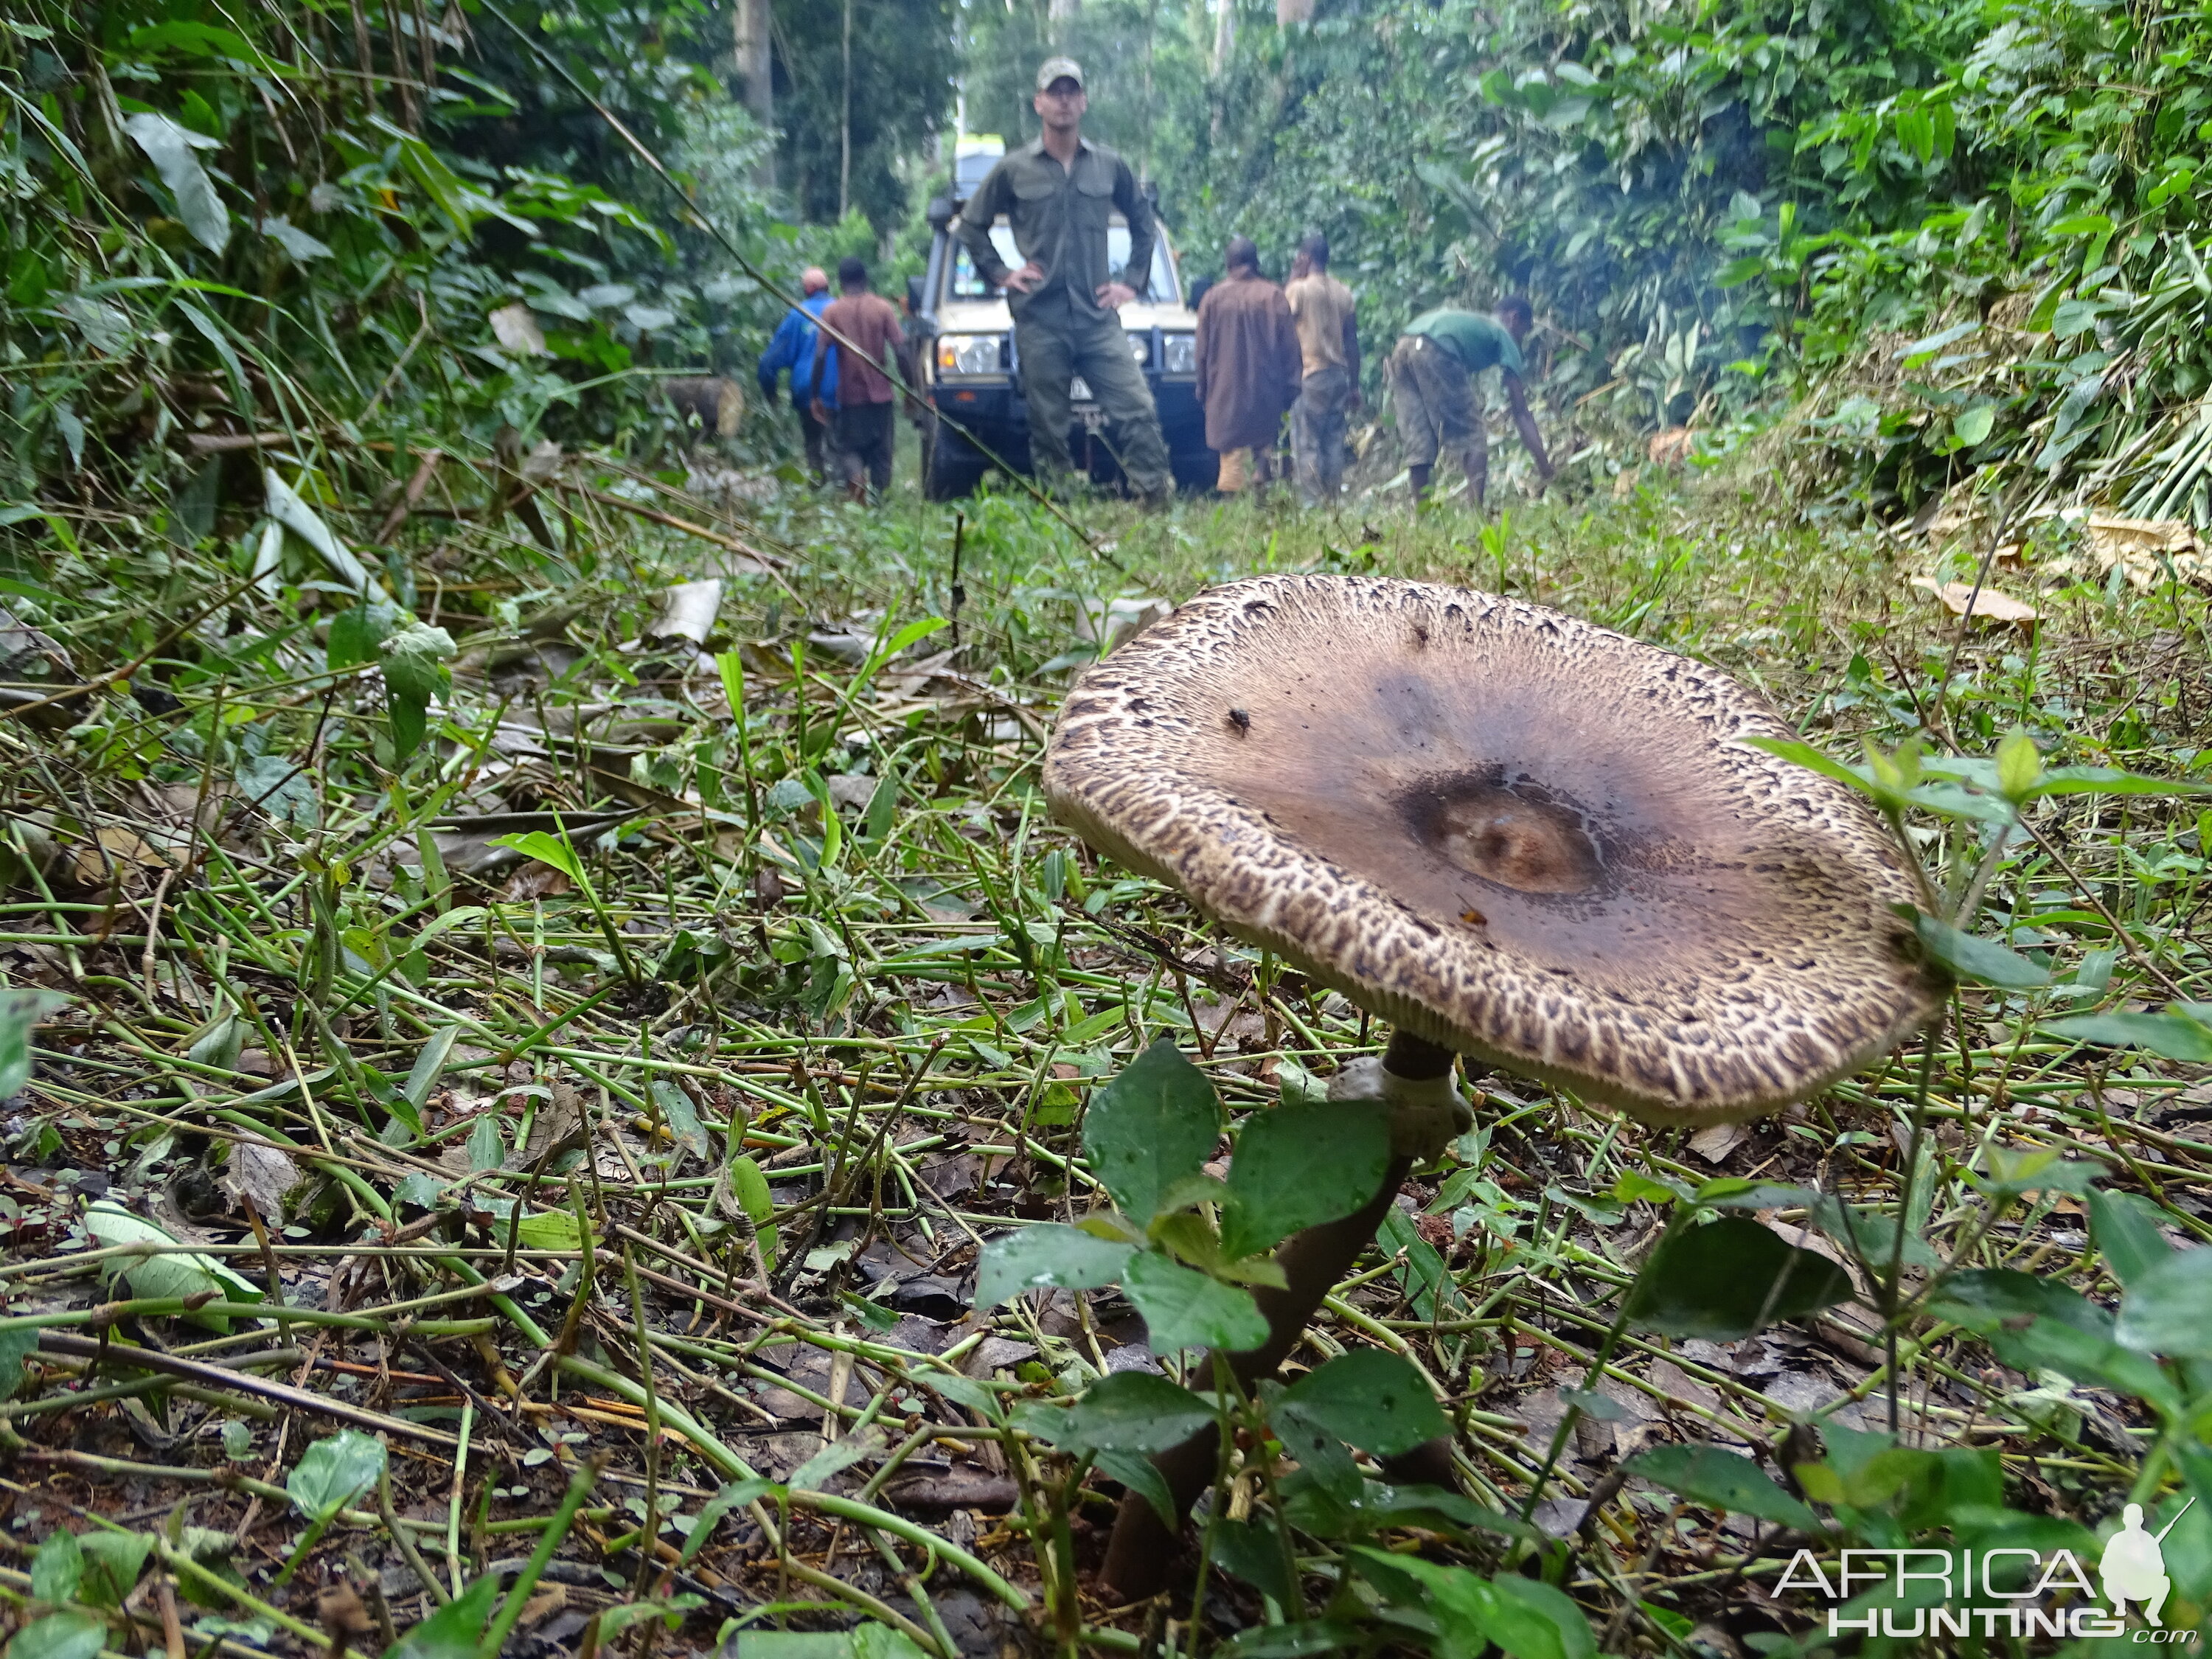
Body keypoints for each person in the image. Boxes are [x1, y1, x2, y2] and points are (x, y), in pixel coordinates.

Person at [955, 57, 1172, 501]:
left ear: (1084, 102)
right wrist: (1001, 274)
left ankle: (1155, 502)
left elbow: (1144, 222)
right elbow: (970, 225)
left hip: (1097, 317)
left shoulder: (1109, 165)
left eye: (1072, 92)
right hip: (1042, 318)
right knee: (1048, 426)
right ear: (1039, 103)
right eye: (1055, 92)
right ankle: (1061, 517)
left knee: (1138, 409)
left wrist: (1132, 281)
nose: (1064, 101)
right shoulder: (1015, 169)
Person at [1387, 295, 1552, 507]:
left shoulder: (1477, 321)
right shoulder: (1503, 334)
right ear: (1514, 318)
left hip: (1403, 346)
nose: (1521, 340)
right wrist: (1546, 470)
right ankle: (1477, 513)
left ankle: (1422, 515)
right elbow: (1520, 412)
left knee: (1421, 438)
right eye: (1524, 332)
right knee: (1473, 435)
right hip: (1436, 348)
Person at [1194, 236, 1301, 494]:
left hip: (1224, 392)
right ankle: (1261, 490)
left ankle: (1236, 510)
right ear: (1255, 263)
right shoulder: (1273, 295)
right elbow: (1291, 349)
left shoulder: (1212, 299)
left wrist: (1202, 387)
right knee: (1263, 451)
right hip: (1265, 392)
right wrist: (1292, 388)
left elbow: (1201, 353)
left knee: (1231, 459)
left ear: (1229, 263)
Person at [810, 257, 906, 503]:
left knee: (849, 449)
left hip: (850, 398)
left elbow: (820, 356)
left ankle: (857, 484)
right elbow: (901, 350)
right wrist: (911, 388)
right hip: (881, 395)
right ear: (865, 279)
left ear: (840, 283)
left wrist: (815, 395)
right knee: (882, 453)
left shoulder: (832, 312)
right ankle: (880, 500)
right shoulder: (883, 308)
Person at [1284, 231, 1360, 505]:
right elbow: (1352, 341)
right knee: (1333, 440)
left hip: (1311, 373)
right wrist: (1355, 385)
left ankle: (1312, 503)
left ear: (1304, 257)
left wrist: (1293, 275)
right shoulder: (1343, 292)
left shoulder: (1300, 290)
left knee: (1308, 442)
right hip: (1338, 375)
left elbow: (1280, 317)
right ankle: (1333, 498)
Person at [757, 267, 838, 480]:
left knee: (813, 443)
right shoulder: (840, 309)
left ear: (807, 289)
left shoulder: (797, 315)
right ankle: (842, 488)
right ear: (827, 287)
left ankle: (818, 483)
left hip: (807, 390)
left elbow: (768, 362)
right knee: (839, 444)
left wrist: (770, 394)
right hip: (842, 389)